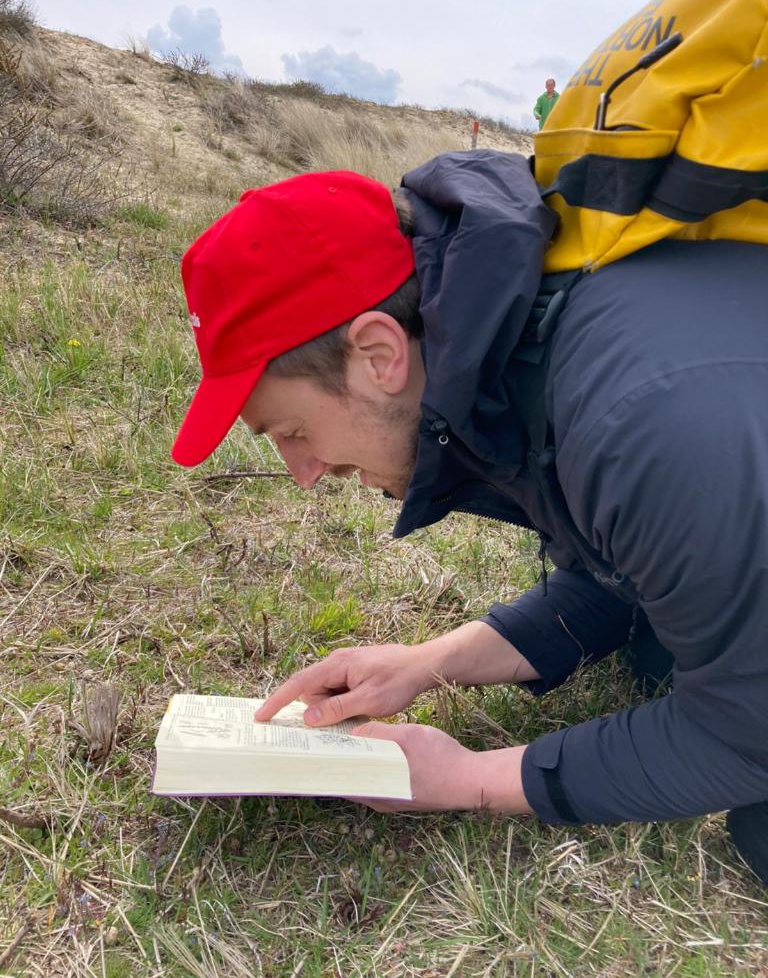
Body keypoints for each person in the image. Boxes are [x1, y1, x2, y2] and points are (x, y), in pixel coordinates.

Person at [171, 152, 768, 887]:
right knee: (662, 650)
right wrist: (426, 663)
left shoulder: (637, 420)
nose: (304, 475)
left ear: (379, 352)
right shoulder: (514, 351)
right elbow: (624, 576)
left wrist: (465, 778)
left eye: (292, 432)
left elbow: (746, 731)